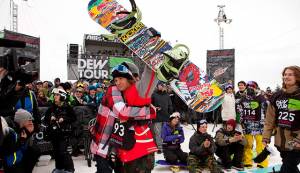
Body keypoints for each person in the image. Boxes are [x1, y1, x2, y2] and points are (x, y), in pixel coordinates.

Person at [90, 63, 158, 173]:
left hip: (116, 144)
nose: (118, 82)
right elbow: (122, 112)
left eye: (120, 79)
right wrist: (148, 111)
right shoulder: (113, 90)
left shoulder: (126, 92)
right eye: (116, 79)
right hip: (103, 144)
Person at [263, 66, 300, 173]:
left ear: (297, 77)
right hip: (281, 141)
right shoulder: (277, 96)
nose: (286, 76)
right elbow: (269, 119)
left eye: (290, 74)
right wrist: (266, 137)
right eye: (285, 74)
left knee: (288, 167)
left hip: (296, 141)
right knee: (289, 167)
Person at [44, 88, 76, 173]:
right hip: (54, 133)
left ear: (62, 96)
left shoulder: (67, 107)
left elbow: (74, 118)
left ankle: (70, 169)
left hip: (64, 133)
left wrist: (64, 118)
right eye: (55, 95)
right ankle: (59, 168)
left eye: (57, 95)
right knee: (56, 152)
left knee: (63, 152)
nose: (55, 96)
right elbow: (45, 119)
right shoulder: (52, 107)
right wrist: (50, 118)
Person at [238, 81, 268, 168]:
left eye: (252, 86)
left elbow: (265, 110)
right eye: (249, 87)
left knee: (260, 145)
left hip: (259, 126)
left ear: (256, 88)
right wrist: (241, 121)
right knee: (248, 145)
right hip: (247, 126)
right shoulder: (243, 98)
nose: (250, 88)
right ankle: (248, 161)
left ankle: (262, 162)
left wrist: (264, 123)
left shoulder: (261, 97)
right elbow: (240, 111)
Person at [0, 109, 40, 173]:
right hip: (11, 163)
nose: (31, 123)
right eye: (29, 121)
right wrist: (22, 141)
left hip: (18, 158)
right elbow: (8, 150)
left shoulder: (20, 127)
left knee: (34, 150)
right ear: (22, 121)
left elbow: (23, 143)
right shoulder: (10, 131)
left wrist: (29, 132)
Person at [151, 81, 173, 153]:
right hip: (157, 117)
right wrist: (155, 108)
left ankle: (165, 146)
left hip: (166, 117)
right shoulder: (154, 94)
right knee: (158, 133)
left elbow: (170, 105)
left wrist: (170, 112)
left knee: (166, 132)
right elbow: (150, 105)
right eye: (160, 85)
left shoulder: (167, 95)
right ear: (157, 86)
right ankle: (159, 147)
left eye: (162, 85)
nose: (161, 87)